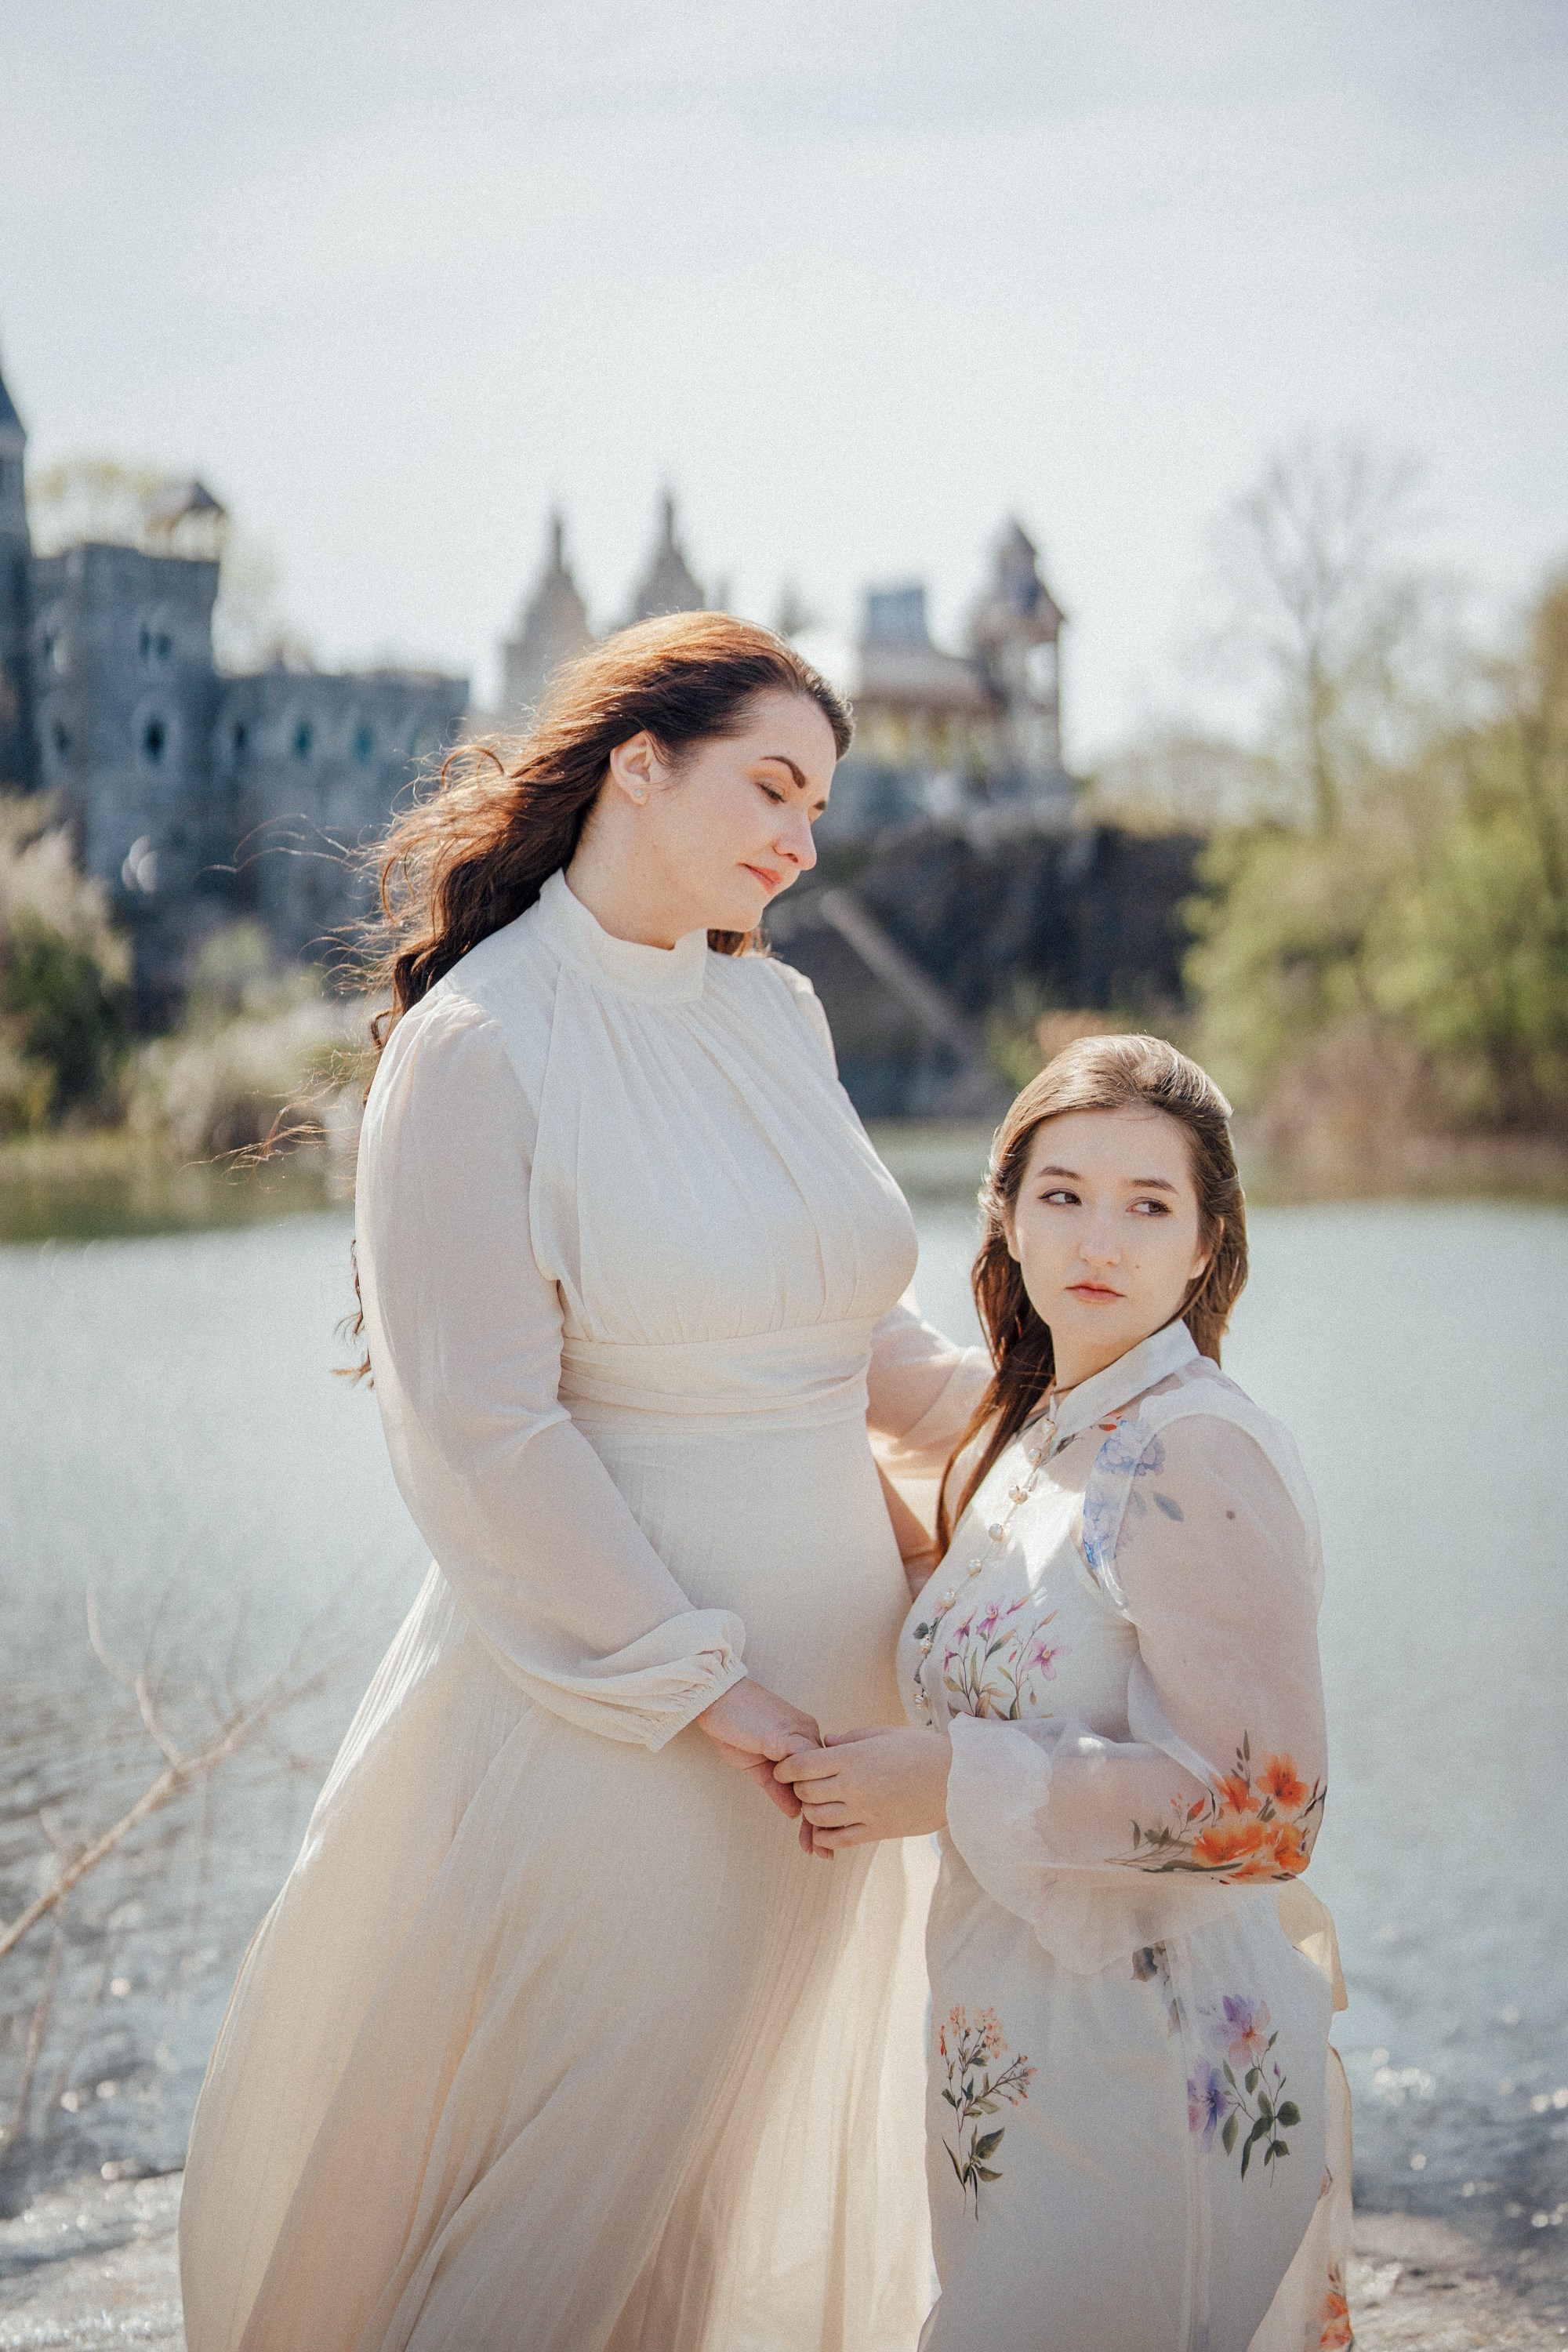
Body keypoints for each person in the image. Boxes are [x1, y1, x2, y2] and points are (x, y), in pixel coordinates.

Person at [178, 614, 987, 2352]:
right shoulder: (482, 1043)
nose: (800, 837)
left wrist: (1099, 1413)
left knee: (710, 2202)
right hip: (635, 1721)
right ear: (639, 760)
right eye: (772, 784)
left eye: (823, 808)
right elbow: (484, 1434)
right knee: (575, 2199)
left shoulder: (772, 1011)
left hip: (834, 1727)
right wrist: (714, 1688)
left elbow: (871, 1349)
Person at [779, 1037, 1354, 2352]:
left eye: (1151, 1205)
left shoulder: (1188, 1449)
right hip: (1029, 2046)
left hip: (1150, 2059)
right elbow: (1009, 1614)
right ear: (1008, 1216)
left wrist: (949, 1780)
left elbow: (1273, 1816)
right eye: (1064, 1194)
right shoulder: (1046, 1430)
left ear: (1207, 1245)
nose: (1103, 1237)